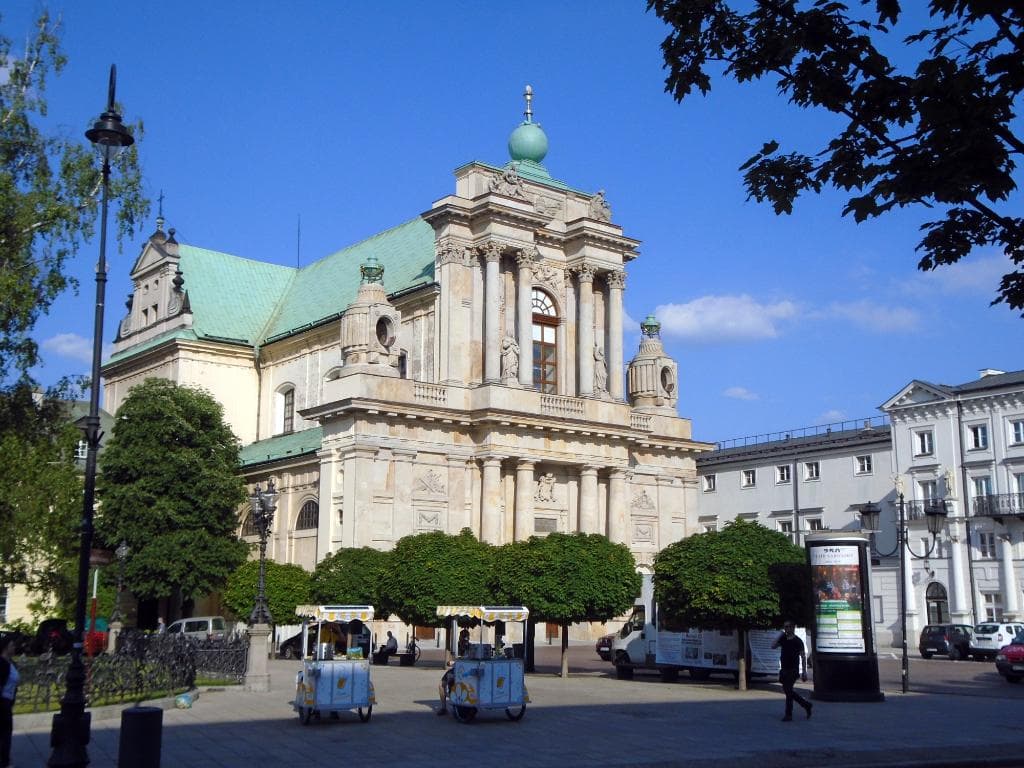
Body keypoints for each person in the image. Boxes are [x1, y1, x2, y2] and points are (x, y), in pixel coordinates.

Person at [771, 621, 812, 722]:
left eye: (789, 626)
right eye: (785, 627)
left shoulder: (798, 641)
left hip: (793, 670)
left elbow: (803, 657)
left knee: (788, 691)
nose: (787, 628)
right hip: (784, 669)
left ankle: (788, 714)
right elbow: (772, 646)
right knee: (788, 691)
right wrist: (780, 634)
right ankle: (806, 705)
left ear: (793, 628)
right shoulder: (783, 638)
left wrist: (804, 672)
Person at [1, 635, 19, 768]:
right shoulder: (2, 664)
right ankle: (4, 763)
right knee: (5, 734)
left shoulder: (10, 663)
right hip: (2, 703)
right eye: (12, 645)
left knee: (5, 734)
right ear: (6, 647)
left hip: (7, 702)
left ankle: (4, 761)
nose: (14, 647)